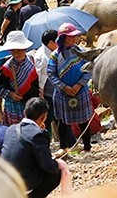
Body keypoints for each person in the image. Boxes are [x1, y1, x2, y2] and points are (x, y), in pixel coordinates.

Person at [1, 98, 64, 198]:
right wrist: (59, 164)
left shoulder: (11, 129)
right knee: (55, 174)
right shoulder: (38, 134)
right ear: (43, 117)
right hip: (23, 183)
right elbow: (47, 165)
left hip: (4, 181)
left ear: (24, 112)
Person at [47, 23, 94, 153]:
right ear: (63, 38)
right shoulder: (55, 55)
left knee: (84, 120)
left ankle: (87, 147)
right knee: (62, 121)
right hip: (63, 93)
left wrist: (79, 85)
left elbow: (89, 70)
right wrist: (64, 87)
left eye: (75, 36)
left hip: (81, 90)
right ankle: (64, 147)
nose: (74, 38)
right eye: (70, 36)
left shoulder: (81, 52)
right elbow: (51, 73)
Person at [0, 31, 39, 126]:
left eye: (19, 50)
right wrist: (10, 94)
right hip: (16, 108)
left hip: (31, 104)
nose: (16, 53)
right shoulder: (7, 68)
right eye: (13, 50)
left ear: (25, 48)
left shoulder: (30, 60)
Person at [34, 30, 59, 143]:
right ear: (50, 43)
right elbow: (38, 76)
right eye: (58, 41)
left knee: (59, 117)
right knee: (47, 119)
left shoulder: (53, 52)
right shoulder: (42, 56)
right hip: (47, 93)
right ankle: (47, 142)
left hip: (55, 90)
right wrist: (40, 94)